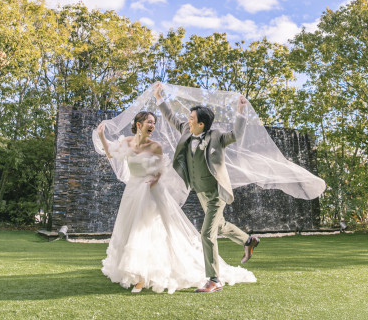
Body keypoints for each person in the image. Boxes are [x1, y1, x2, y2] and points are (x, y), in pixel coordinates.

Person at [94, 110, 256, 294]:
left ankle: (148, 275)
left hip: (151, 193)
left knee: (148, 231)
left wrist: (155, 179)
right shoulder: (126, 143)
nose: (153, 125)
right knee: (129, 229)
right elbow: (111, 154)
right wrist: (101, 136)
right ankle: (247, 240)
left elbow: (160, 170)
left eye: (154, 122)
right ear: (138, 125)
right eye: (149, 122)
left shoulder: (156, 146)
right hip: (132, 192)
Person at [154, 82, 260, 293]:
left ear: (201, 124)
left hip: (216, 193)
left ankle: (214, 279)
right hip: (200, 192)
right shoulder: (186, 130)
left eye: (192, 118)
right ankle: (248, 240)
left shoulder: (217, 136)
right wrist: (159, 99)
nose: (188, 120)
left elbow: (236, 135)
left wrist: (241, 112)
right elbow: (171, 117)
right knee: (219, 226)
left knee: (206, 234)